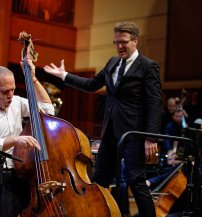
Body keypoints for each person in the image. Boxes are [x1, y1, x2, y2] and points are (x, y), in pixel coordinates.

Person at [43, 21, 162, 217]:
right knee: (99, 180)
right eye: (116, 42)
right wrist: (64, 75)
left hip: (133, 134)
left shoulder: (148, 66)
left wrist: (151, 138)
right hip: (109, 133)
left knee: (135, 180)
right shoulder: (112, 63)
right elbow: (91, 85)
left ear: (135, 41)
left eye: (123, 42)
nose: (119, 46)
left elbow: (154, 102)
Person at [0, 62, 54, 217]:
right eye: (4, 91)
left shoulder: (16, 101)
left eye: (13, 90)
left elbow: (48, 111)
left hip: (23, 172)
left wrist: (33, 79)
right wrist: (15, 140)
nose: (10, 96)